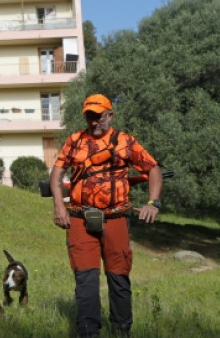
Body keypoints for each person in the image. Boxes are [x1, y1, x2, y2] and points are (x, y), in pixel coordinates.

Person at [49, 94, 163, 338]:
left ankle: (122, 330)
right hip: (80, 218)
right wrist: (59, 206)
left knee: (118, 277)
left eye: (98, 116)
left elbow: (153, 169)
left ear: (110, 115)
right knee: (86, 280)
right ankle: (88, 332)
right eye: (89, 116)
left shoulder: (126, 142)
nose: (93, 122)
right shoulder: (75, 140)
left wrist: (153, 203)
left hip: (116, 218)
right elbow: (57, 173)